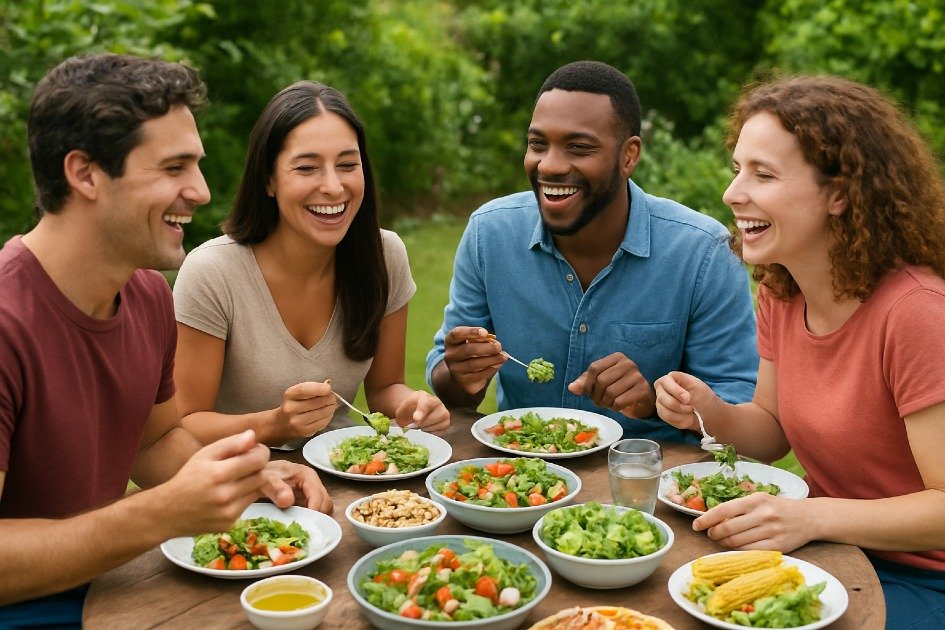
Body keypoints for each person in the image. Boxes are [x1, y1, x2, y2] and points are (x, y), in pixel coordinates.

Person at [0, 54, 332, 625]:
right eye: (174, 167)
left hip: (117, 591)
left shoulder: (150, 295)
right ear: (84, 174)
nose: (201, 191)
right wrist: (158, 514)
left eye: (196, 166)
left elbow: (151, 445)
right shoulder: (7, 321)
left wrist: (252, 477)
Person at [654, 75, 945, 628]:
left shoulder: (917, 312)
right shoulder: (782, 290)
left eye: (763, 174)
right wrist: (707, 411)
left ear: (839, 194)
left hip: (924, 578)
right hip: (828, 552)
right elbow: (770, 428)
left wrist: (809, 516)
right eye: (737, 169)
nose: (733, 193)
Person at [426, 60, 758, 442]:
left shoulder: (702, 253)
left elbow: (737, 401)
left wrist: (653, 402)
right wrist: (459, 373)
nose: (549, 165)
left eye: (578, 148)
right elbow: (448, 384)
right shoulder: (490, 233)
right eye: (538, 144)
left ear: (629, 156)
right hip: (520, 479)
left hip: (647, 482)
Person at [173, 81, 449, 449]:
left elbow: (384, 388)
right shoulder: (211, 273)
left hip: (343, 480)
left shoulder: (385, 255)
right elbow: (183, 426)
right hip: (240, 487)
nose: (334, 187)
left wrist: (412, 405)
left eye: (348, 165)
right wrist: (274, 424)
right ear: (268, 180)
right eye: (307, 168)